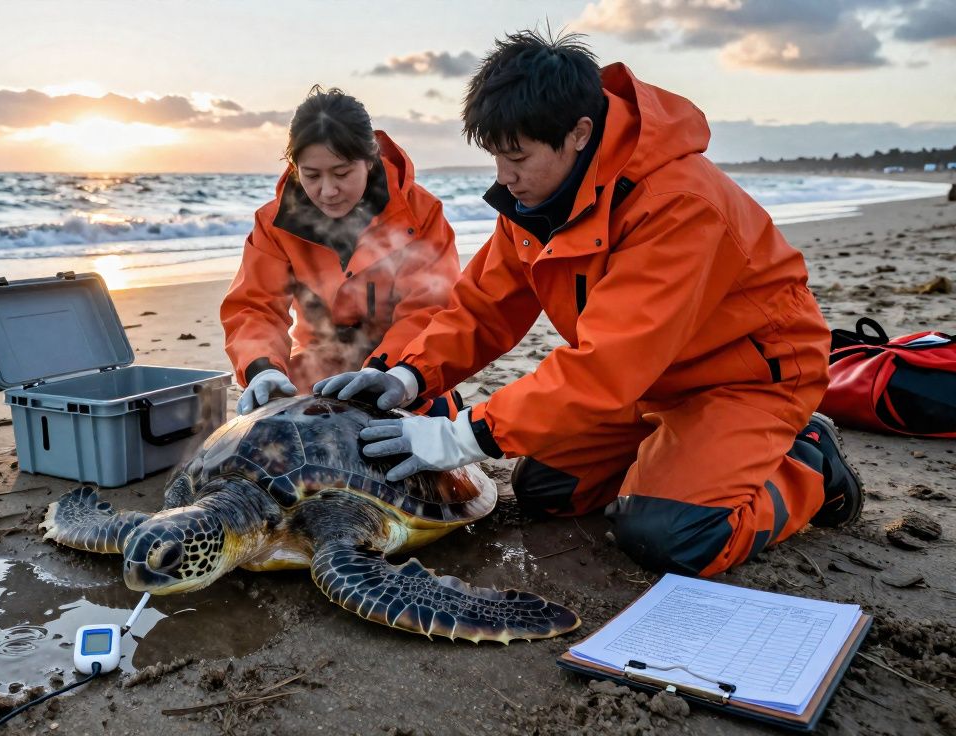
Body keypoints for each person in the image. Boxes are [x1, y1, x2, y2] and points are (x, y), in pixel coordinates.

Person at [315, 31, 863, 578]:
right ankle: (677, 452)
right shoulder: (535, 199)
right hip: (647, 385)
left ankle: (809, 460)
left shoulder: (679, 204)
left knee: (669, 536)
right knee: (546, 490)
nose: (503, 177)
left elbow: (608, 365)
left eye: (517, 156)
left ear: (578, 134)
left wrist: (462, 436)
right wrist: (407, 375)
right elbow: (482, 308)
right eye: (496, 157)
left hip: (744, 380)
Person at [221, 86, 463, 416]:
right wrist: (263, 369)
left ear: (370, 159)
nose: (328, 191)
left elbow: (431, 309)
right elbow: (254, 307)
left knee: (429, 424)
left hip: (397, 372)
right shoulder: (273, 223)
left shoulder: (421, 215)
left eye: (342, 173)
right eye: (311, 175)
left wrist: (382, 371)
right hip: (313, 376)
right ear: (294, 167)